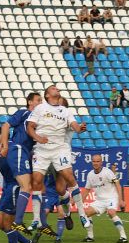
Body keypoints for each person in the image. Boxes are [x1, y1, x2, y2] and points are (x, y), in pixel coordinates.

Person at [26, 85, 91, 231]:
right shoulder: (41, 108)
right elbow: (30, 126)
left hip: (60, 150)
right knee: (37, 180)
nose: (57, 89)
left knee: (63, 186)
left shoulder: (66, 112)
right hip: (42, 149)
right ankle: (36, 218)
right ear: (47, 95)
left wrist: (80, 128)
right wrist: (38, 137)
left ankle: (80, 214)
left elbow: (74, 126)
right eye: (54, 88)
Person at [0, 93, 47, 235]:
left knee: (36, 186)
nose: (40, 103)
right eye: (38, 100)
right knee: (26, 186)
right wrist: (5, 145)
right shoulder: (25, 112)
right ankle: (18, 221)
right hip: (18, 148)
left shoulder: (38, 119)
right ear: (30, 102)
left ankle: (41, 222)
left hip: (25, 153)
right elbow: (5, 125)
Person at [81, 155, 128, 243]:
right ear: (92, 162)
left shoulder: (107, 172)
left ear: (101, 162)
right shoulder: (90, 174)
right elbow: (87, 190)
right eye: (94, 161)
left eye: (98, 161)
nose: (95, 163)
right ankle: (90, 236)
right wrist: (80, 202)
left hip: (111, 198)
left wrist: (121, 200)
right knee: (86, 213)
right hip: (99, 200)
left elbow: (117, 185)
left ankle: (123, 237)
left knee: (111, 212)